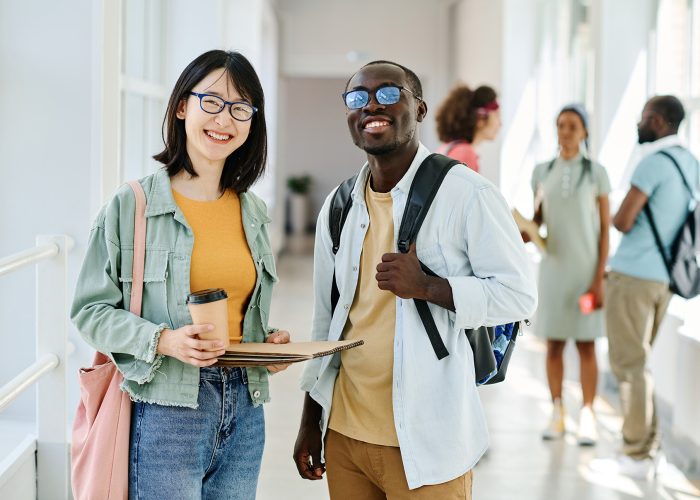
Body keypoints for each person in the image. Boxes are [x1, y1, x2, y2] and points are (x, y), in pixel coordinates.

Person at [292, 60, 537, 499]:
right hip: (346, 436)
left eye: (388, 93)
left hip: (429, 442)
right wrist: (312, 420)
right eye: (357, 98)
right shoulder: (339, 204)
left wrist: (429, 287)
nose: (371, 106)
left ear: (420, 109)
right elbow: (325, 322)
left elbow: (519, 295)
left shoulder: (467, 194)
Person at [71, 50, 291, 498]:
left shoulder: (253, 211)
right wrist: (163, 340)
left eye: (240, 108)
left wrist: (266, 346)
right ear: (182, 107)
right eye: (211, 101)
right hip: (167, 409)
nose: (224, 119)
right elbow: (89, 311)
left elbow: (239, 313)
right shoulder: (132, 204)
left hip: (246, 410)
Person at [601, 95, 699, 478]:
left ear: (658, 121)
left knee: (629, 364)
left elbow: (624, 220)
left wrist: (611, 212)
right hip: (665, 280)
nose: (639, 124)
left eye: (643, 118)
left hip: (634, 276)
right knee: (639, 362)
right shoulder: (690, 163)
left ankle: (636, 454)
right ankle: (647, 446)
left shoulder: (654, 162)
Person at [528, 104, 611, 446]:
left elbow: (605, 229)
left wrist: (598, 278)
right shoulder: (541, 171)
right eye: (561, 125)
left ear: (585, 131)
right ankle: (557, 411)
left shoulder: (596, 173)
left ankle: (588, 415)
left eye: (573, 126)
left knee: (587, 346)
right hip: (553, 271)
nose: (565, 131)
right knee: (554, 345)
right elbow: (537, 222)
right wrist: (523, 228)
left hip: (585, 271)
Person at [434, 84, 501, 173]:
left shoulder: (448, 148)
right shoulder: (465, 154)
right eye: (497, 116)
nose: (500, 124)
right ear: (480, 119)